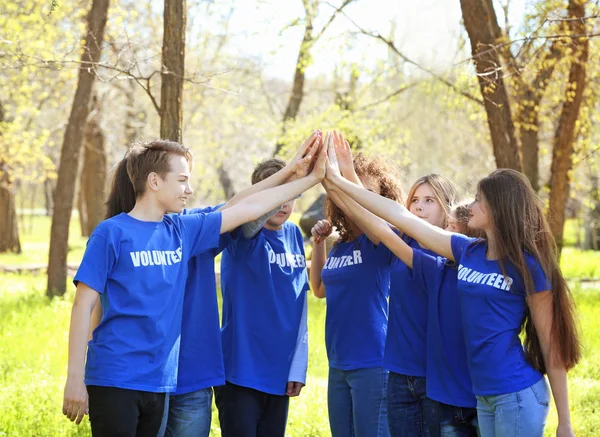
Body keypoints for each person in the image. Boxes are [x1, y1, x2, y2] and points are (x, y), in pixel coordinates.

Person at [62, 137, 327, 436]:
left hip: (159, 381)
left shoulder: (182, 232)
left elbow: (247, 206)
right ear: (154, 182)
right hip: (115, 376)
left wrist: (304, 177)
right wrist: (75, 378)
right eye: (182, 180)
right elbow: (83, 305)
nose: (189, 189)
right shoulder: (111, 232)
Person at [324, 155, 581, 437]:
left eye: (478, 200)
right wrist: (339, 181)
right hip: (482, 394)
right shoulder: (465, 251)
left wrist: (565, 421)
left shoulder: (529, 267)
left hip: (516, 393)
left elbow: (551, 343)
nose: (469, 205)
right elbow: (398, 217)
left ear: (498, 208)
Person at [214, 134, 326, 437]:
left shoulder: (292, 235)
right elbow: (252, 220)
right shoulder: (240, 233)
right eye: (277, 194)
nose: (284, 203)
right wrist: (290, 177)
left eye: (290, 195)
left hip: (279, 372)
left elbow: (298, 307)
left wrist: (297, 366)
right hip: (240, 371)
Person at [310, 132, 403, 437]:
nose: (357, 195)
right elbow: (320, 290)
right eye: (352, 189)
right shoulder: (341, 245)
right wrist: (320, 244)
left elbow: (365, 214)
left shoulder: (382, 239)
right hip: (338, 361)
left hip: (373, 360)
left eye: (367, 191)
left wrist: (342, 178)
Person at [384, 174, 458, 437]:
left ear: (447, 206)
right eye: (415, 200)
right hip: (399, 372)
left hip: (437, 375)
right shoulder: (403, 240)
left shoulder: (454, 251)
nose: (419, 206)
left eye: (429, 200)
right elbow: (371, 217)